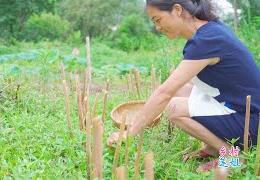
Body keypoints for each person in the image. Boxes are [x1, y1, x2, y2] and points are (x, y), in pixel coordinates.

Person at [107, 0, 260, 173]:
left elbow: (164, 93)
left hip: (250, 124)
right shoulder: (211, 30)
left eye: (158, 19)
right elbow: (176, 86)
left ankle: (233, 156)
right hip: (241, 109)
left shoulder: (205, 41)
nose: (157, 27)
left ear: (177, 10)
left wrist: (129, 133)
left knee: (173, 107)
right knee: (179, 91)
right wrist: (151, 110)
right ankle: (212, 148)